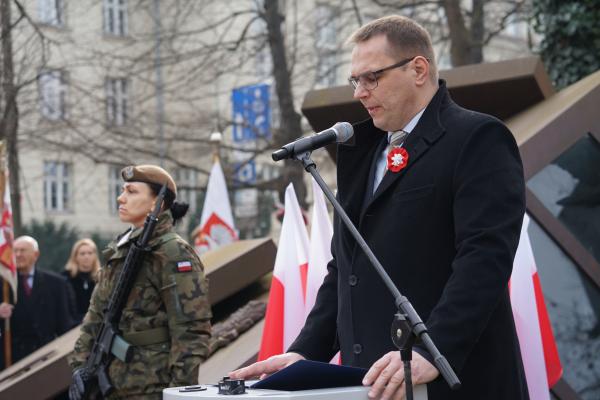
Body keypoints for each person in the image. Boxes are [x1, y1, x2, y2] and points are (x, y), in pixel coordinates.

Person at [230, 15, 528, 400]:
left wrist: (432, 350)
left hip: (454, 379)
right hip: (373, 383)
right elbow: (346, 271)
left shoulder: (477, 138)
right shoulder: (362, 152)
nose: (359, 92)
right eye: (355, 80)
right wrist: (305, 353)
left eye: (372, 78)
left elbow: (485, 257)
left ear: (418, 69)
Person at [68, 165, 212, 399]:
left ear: (159, 202)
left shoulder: (172, 253)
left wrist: (180, 392)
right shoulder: (121, 251)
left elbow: (191, 331)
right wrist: (79, 367)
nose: (120, 197)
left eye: (132, 191)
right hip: (114, 385)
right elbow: (95, 316)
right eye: (123, 190)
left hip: (152, 387)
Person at [0, 236, 76, 369]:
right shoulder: (3, 285)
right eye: (15, 251)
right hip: (11, 359)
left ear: (36, 254)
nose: (18, 255)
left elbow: (65, 324)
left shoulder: (56, 284)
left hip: (45, 357)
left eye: (23, 250)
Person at [62, 238, 101, 324]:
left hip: (95, 325)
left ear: (95, 256)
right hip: (71, 326)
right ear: (75, 256)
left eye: (90, 253)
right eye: (82, 253)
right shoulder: (65, 278)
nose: (86, 256)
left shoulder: (102, 278)